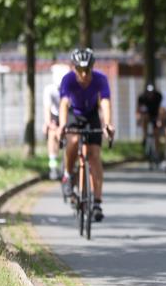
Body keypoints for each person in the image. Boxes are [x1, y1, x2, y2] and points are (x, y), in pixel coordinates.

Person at [57, 48, 115, 221]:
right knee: (73, 140)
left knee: (94, 155)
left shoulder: (100, 79)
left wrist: (107, 125)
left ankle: (97, 202)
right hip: (75, 114)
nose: (83, 75)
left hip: (91, 115)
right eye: (79, 70)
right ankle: (67, 174)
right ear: (74, 68)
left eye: (87, 70)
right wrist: (62, 126)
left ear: (92, 68)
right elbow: (64, 104)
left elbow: (105, 102)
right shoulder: (67, 80)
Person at [42, 64, 70, 180]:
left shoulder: (70, 88)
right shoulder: (49, 90)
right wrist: (49, 124)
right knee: (52, 134)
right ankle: (52, 165)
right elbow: (47, 109)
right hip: (55, 116)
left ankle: (68, 162)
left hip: (69, 115)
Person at [136, 83, 162, 161]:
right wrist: (138, 119)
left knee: (156, 133)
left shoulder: (158, 97)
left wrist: (160, 120)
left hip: (155, 115)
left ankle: (157, 152)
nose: (150, 94)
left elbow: (162, 109)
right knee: (145, 117)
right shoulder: (142, 97)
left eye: (152, 93)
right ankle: (144, 136)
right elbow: (138, 110)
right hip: (146, 115)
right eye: (149, 93)